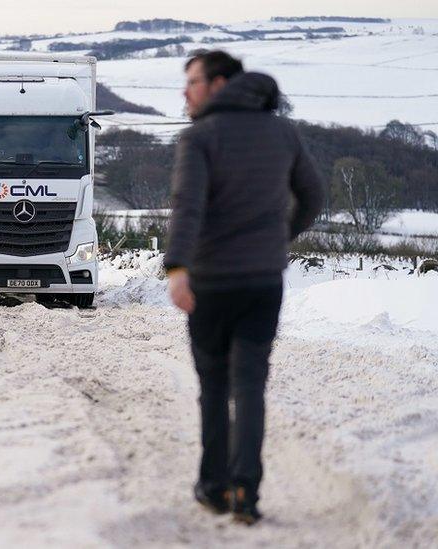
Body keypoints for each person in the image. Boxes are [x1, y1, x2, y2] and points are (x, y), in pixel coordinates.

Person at [163, 50, 325, 525]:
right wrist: (280, 236)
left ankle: (213, 487)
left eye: (192, 81)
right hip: (262, 282)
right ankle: (245, 492)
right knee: (250, 385)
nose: (185, 92)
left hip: (212, 284)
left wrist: (177, 267)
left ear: (218, 84)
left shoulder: (200, 137)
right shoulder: (283, 132)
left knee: (214, 386)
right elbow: (314, 196)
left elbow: (187, 204)